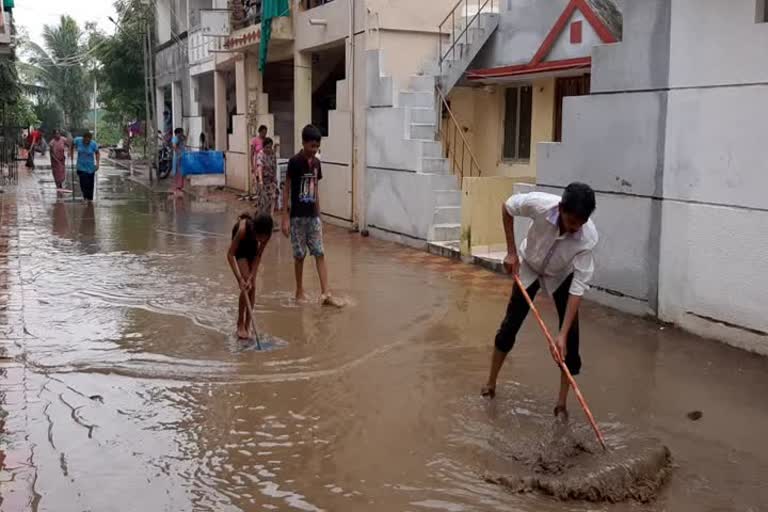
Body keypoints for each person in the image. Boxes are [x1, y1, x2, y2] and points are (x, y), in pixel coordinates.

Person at [482, 183, 598, 420]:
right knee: (509, 327)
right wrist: (511, 252)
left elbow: (578, 288)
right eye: (572, 222)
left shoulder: (588, 238)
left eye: (581, 223)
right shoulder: (540, 204)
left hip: (560, 275)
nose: (576, 228)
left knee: (571, 342)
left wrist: (562, 334)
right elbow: (507, 207)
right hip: (530, 267)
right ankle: (490, 383)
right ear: (561, 209)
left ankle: (561, 405)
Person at [281, 124, 341, 306]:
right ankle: (299, 290)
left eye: (317, 147)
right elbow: (287, 189)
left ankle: (326, 293)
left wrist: (319, 214)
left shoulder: (316, 163)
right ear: (303, 143)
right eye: (311, 146)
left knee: (319, 252)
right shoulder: (294, 162)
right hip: (297, 217)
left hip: (313, 216)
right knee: (299, 255)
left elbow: (316, 188)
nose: (314, 150)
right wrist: (285, 218)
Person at [228, 212, 274, 339]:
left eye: (263, 239)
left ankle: (248, 324)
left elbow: (258, 256)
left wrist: (252, 275)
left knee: (252, 285)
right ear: (254, 230)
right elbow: (230, 255)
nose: (262, 241)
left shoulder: (267, 234)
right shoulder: (242, 230)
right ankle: (240, 323)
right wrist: (240, 279)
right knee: (246, 287)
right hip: (241, 248)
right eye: (260, 238)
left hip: (252, 249)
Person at [69, 132, 100, 201]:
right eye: (85, 140)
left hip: (90, 167)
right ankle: (85, 196)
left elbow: (97, 153)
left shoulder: (93, 144)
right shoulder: (78, 140)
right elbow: (72, 144)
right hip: (81, 167)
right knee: (83, 183)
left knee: (90, 184)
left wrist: (97, 164)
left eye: (88, 140)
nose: (86, 141)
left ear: (90, 139)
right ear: (83, 138)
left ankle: (89, 199)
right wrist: (71, 153)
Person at [254, 137, 278, 217]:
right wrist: (260, 181)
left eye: (270, 147)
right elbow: (259, 167)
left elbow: (274, 167)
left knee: (272, 198)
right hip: (262, 181)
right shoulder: (260, 154)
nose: (268, 149)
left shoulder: (272, 154)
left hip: (270, 180)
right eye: (267, 147)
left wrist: (275, 178)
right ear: (263, 147)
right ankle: (260, 218)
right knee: (263, 201)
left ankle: (270, 218)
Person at [171, 127, 186, 196]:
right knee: (177, 172)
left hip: (182, 156)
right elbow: (174, 146)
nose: (182, 133)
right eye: (181, 132)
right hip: (178, 157)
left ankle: (180, 186)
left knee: (182, 171)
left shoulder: (181, 138)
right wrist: (179, 153)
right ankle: (176, 187)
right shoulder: (175, 138)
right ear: (178, 133)